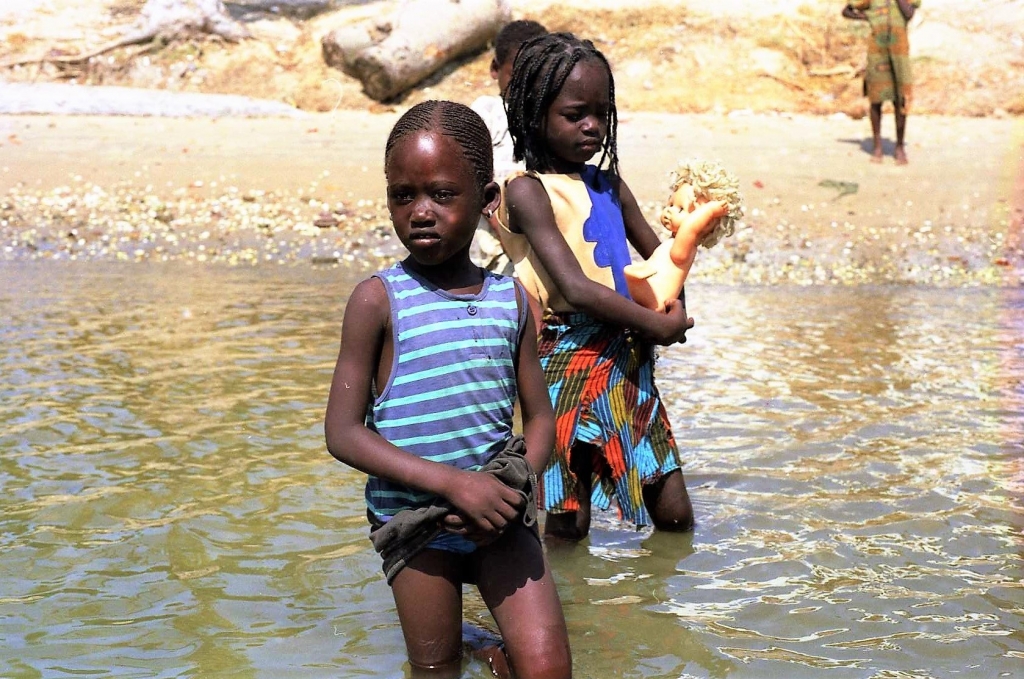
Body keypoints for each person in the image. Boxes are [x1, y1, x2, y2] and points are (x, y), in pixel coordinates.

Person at [324, 100, 571, 679]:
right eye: (402, 196)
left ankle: (481, 642)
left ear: (487, 200)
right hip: (417, 524)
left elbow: (540, 419)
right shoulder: (377, 301)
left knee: (547, 670)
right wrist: (455, 485)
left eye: (441, 194)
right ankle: (471, 642)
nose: (420, 213)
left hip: (499, 515)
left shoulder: (511, 300)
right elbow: (343, 432)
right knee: (435, 670)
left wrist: (513, 486)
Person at [494, 32, 696, 542]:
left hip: (627, 354)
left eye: (601, 113)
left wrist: (673, 309)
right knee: (570, 518)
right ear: (534, 116)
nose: (592, 126)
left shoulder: (610, 185)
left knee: (674, 512)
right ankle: (558, 592)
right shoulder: (528, 191)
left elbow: (663, 258)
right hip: (563, 359)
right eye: (574, 114)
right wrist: (657, 325)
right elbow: (576, 287)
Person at [469, 19, 547, 274]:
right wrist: (502, 233)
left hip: (537, 241)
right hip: (492, 240)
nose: (526, 87)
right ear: (495, 69)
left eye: (535, 77)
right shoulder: (488, 112)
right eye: (517, 76)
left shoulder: (549, 120)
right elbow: (472, 175)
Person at [842, 0, 921, 165]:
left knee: (900, 99)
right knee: (876, 99)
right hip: (877, 52)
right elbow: (847, 11)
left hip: (899, 53)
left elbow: (909, 14)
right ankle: (877, 146)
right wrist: (866, 17)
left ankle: (899, 147)